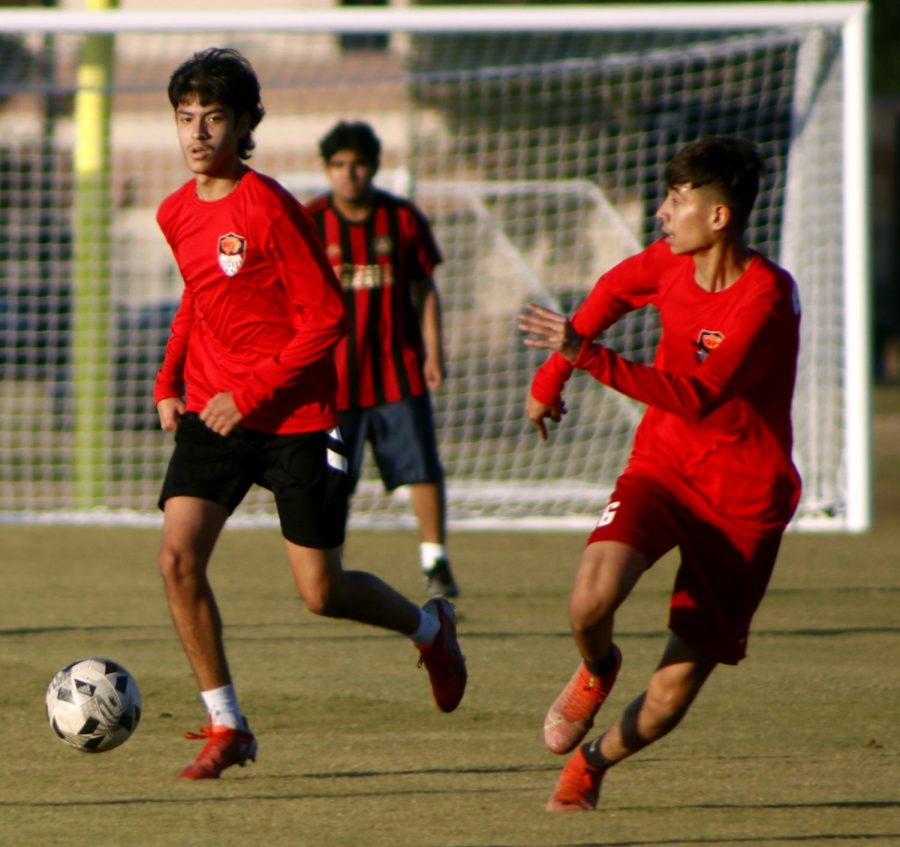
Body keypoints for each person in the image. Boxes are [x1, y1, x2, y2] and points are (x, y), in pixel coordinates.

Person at [153, 48, 466, 781]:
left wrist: (252, 394)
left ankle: (430, 627)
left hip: (296, 416)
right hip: (213, 409)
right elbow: (198, 298)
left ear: (246, 124)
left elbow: (327, 317)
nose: (197, 133)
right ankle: (228, 722)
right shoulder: (174, 211)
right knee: (176, 558)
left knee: (320, 593)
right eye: (185, 118)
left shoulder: (269, 207)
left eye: (214, 118)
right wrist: (170, 379)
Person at [518, 136, 801, 811]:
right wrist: (550, 374)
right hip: (665, 466)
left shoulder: (764, 298)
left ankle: (590, 763)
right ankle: (596, 667)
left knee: (673, 691)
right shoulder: (668, 263)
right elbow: (612, 291)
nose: (663, 214)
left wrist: (583, 356)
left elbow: (697, 394)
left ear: (719, 217)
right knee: (589, 601)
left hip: (743, 502)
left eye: (678, 200)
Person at [306, 121, 459, 600]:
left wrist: (435, 350)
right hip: (332, 381)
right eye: (339, 165)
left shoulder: (402, 219)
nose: (349, 173)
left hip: (398, 371)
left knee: (421, 468)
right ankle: (330, 564)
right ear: (328, 169)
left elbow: (423, 290)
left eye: (358, 164)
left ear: (372, 167)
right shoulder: (310, 222)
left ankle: (434, 560)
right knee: (332, 480)